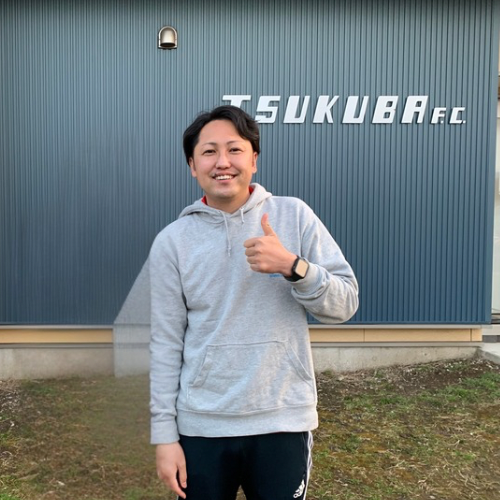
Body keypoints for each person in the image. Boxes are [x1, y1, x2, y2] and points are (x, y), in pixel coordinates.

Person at [149, 105, 359, 500]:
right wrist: (164, 437)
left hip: (282, 421)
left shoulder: (294, 216)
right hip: (202, 427)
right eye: (209, 152)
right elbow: (165, 344)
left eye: (235, 149)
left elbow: (345, 304)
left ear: (254, 159)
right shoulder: (172, 242)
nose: (222, 162)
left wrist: (294, 267)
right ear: (192, 165)